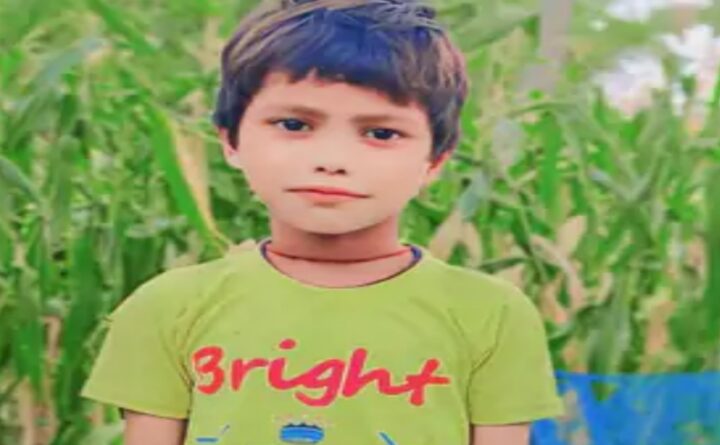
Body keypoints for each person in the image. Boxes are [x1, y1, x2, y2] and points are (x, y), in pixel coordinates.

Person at [81, 1, 564, 444]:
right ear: (231, 141)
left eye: (381, 133)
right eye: (294, 125)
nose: (332, 160)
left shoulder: (492, 315)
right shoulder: (167, 308)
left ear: (435, 160)